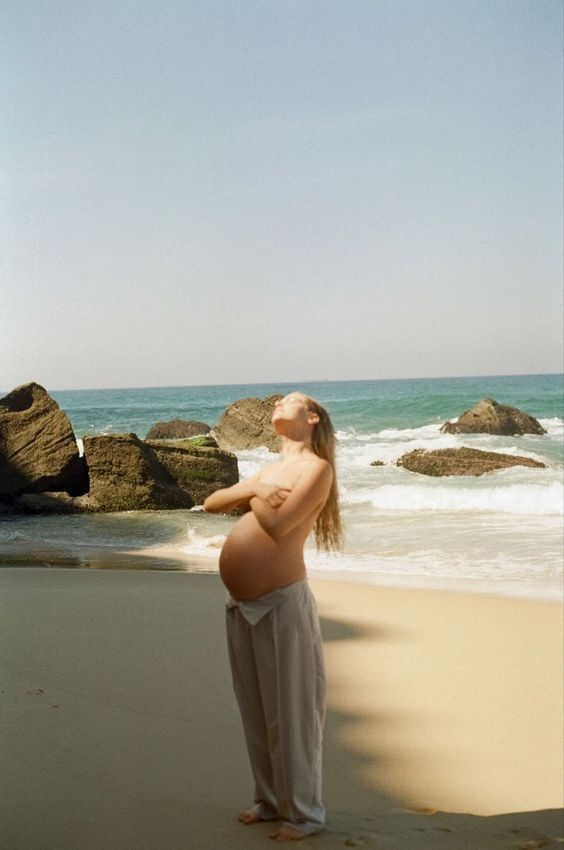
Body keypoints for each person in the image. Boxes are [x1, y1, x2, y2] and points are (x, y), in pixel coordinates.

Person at [204, 392, 342, 842]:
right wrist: (254, 488)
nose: (278, 405)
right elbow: (211, 503)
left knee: (291, 714)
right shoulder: (269, 472)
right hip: (242, 606)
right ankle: (269, 801)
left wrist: (253, 494)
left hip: (281, 602)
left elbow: (278, 526)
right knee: (257, 712)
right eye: (277, 403)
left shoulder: (316, 469)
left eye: (290, 402)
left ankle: (303, 815)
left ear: (312, 417)